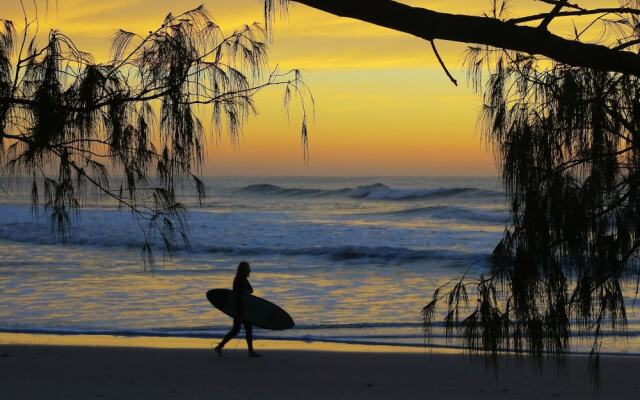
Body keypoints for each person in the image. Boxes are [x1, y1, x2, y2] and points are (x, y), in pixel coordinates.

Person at [214, 261, 261, 357]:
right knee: (236, 330)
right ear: (244, 270)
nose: (250, 270)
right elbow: (238, 295)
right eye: (248, 269)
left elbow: (251, 290)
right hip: (239, 309)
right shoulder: (238, 279)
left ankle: (250, 352)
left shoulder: (244, 279)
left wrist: (246, 291)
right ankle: (220, 346)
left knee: (246, 329)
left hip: (245, 308)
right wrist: (239, 311)